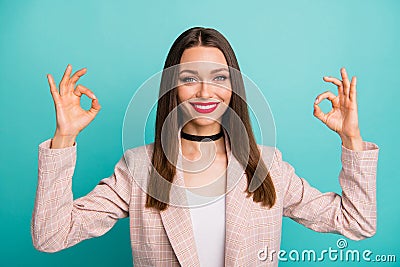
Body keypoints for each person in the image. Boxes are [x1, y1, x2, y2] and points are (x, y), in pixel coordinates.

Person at [31, 27, 379, 267]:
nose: (204, 92)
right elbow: (51, 235)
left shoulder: (269, 167)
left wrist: (351, 138)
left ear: (234, 87)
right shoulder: (138, 168)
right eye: (189, 79)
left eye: (219, 77)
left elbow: (358, 222)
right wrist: (64, 138)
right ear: (173, 87)